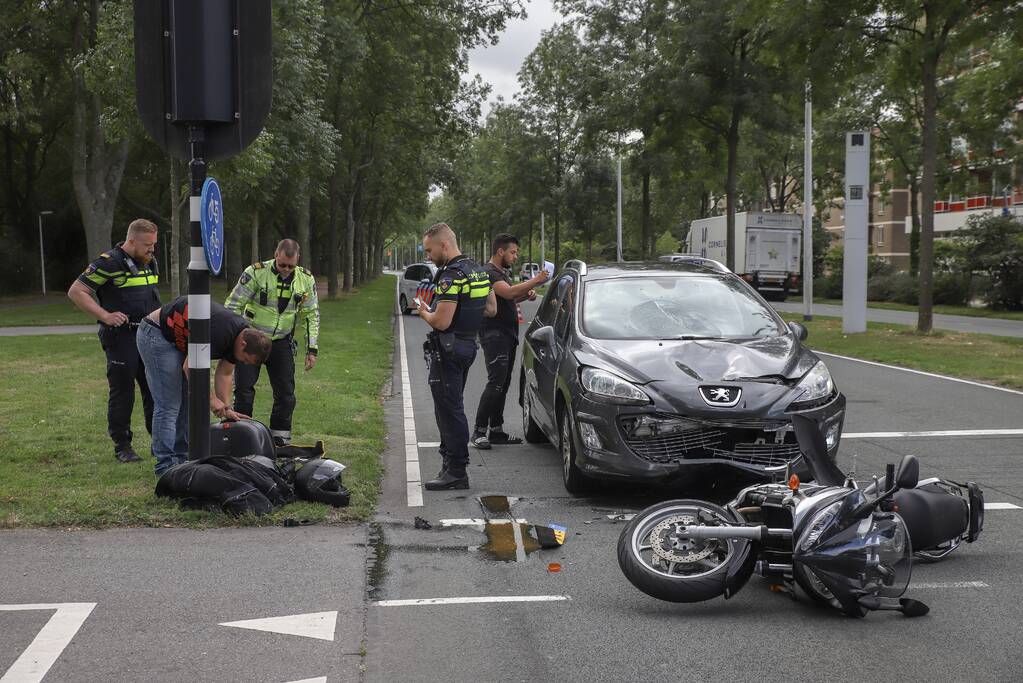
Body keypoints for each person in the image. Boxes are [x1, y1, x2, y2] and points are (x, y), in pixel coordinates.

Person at [135, 296, 271, 476]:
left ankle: (182, 460)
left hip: (177, 340)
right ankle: (165, 467)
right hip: (157, 334)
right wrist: (213, 401)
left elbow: (224, 373)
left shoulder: (241, 336)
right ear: (243, 344)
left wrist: (226, 408)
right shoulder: (218, 332)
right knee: (169, 405)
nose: (244, 363)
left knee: (185, 404)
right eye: (245, 359)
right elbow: (191, 368)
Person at [68, 219, 162, 464]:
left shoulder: (149, 261)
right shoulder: (108, 263)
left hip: (149, 336)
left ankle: (159, 442)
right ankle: (123, 445)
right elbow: (76, 291)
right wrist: (105, 315)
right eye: (147, 245)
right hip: (122, 337)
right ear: (131, 241)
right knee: (123, 392)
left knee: (154, 390)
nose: (152, 249)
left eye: (154, 244)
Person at [416, 223, 496, 490]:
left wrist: (424, 310)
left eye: (430, 250)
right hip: (468, 346)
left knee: (449, 411)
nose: (428, 256)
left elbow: (441, 321)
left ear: (444, 245)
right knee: (453, 406)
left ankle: (456, 470)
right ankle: (450, 466)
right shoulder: (479, 271)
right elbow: (491, 309)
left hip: (448, 350)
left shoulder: (451, 276)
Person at [224, 239, 320, 446]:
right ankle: (240, 439)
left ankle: (279, 441)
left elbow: (311, 314)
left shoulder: (305, 279)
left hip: (281, 343)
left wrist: (312, 349)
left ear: (298, 260)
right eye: (282, 264)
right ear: (276, 255)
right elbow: (232, 305)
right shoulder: (256, 273)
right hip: (251, 339)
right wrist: (235, 338)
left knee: (286, 394)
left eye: (291, 266)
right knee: (243, 391)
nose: (286, 269)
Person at [471, 234, 549, 449]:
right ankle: (478, 431)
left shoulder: (502, 272)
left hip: (507, 334)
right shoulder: (489, 272)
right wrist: (536, 280)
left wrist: (527, 295)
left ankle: (496, 430)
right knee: (495, 382)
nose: (515, 256)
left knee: (503, 384)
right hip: (494, 335)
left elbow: (509, 297)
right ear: (500, 251)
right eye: (513, 252)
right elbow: (507, 291)